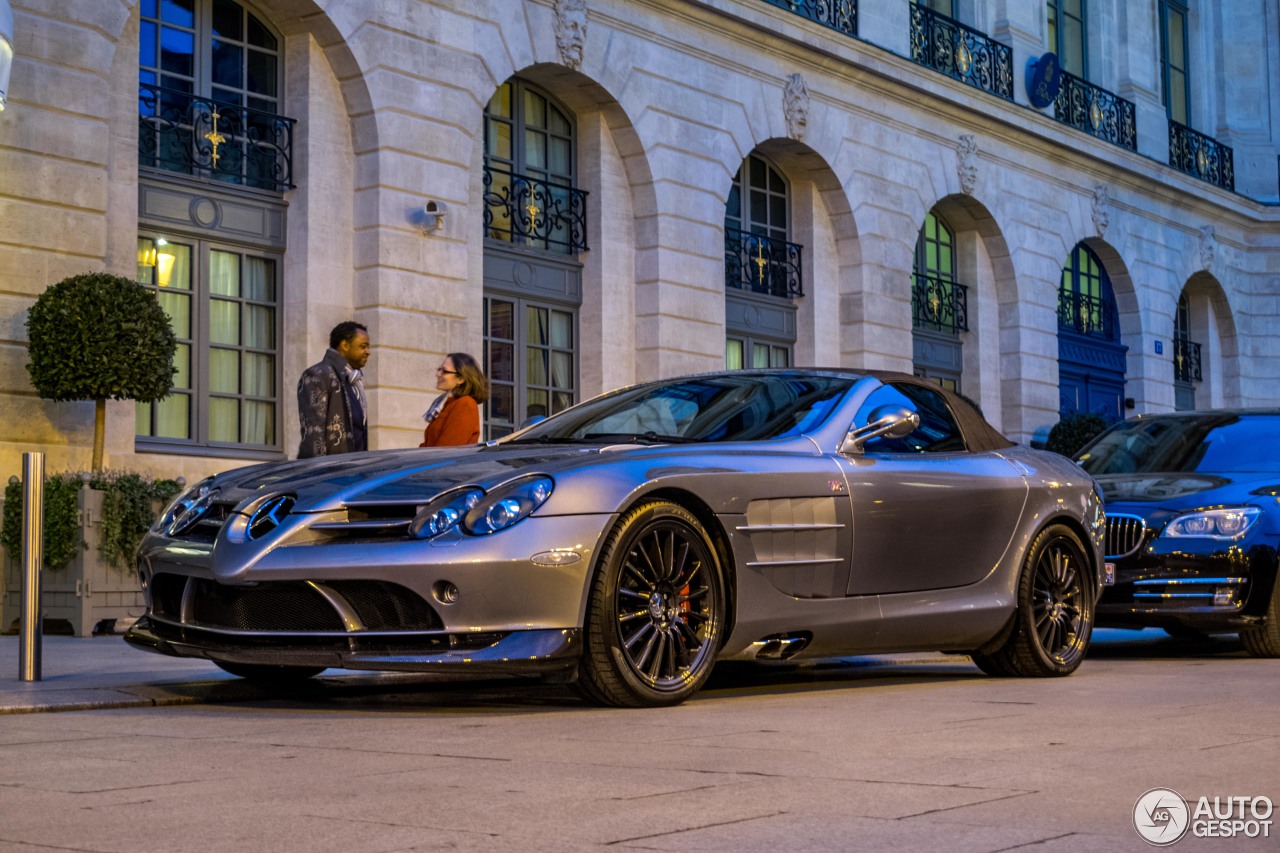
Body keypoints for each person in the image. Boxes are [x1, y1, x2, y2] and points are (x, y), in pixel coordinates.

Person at [296, 321, 370, 458]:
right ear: (345, 345)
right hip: (331, 473)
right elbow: (313, 433)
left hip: (355, 471)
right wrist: (320, 474)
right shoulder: (318, 375)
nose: (368, 352)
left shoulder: (353, 381)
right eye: (363, 346)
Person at [420, 352, 488, 446]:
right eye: (439, 369)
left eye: (444, 371)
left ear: (461, 378)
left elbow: (448, 449)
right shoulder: (446, 404)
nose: (438, 374)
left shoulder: (465, 404)